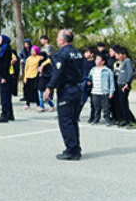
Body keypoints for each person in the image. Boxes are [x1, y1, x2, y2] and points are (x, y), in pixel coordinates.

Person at [44, 29, 84, 160]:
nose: (56, 40)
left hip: (67, 90)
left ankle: (72, 150)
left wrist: (49, 87)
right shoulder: (78, 53)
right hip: (78, 89)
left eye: (57, 38)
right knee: (73, 121)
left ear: (63, 40)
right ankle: (76, 147)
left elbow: (58, 72)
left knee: (65, 121)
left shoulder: (62, 54)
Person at [88, 53, 115, 125]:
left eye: (98, 59)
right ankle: (96, 118)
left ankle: (107, 119)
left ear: (103, 61)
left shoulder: (107, 71)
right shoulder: (93, 70)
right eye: (96, 59)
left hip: (104, 91)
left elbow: (112, 82)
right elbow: (89, 78)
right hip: (95, 91)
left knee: (106, 107)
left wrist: (111, 92)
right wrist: (88, 82)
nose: (96, 61)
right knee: (96, 107)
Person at [116, 47, 136, 128]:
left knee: (124, 104)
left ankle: (133, 121)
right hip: (120, 84)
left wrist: (127, 84)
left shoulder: (127, 61)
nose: (118, 57)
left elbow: (130, 74)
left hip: (124, 86)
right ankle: (126, 119)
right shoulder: (122, 62)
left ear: (124, 55)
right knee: (122, 104)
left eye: (119, 55)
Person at [0, 35, 14, 123]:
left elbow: (5, 64)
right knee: (7, 95)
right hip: (2, 74)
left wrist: (3, 77)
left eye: (0, 39)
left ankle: (4, 114)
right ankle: (10, 114)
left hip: (4, 75)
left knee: (4, 95)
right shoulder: (4, 49)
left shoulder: (6, 49)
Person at [81, 46, 96, 121]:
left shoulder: (95, 63)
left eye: (87, 52)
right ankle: (76, 115)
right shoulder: (83, 61)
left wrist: (91, 81)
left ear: (92, 54)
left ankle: (92, 117)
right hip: (83, 82)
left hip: (92, 83)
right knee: (81, 100)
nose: (85, 54)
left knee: (93, 102)